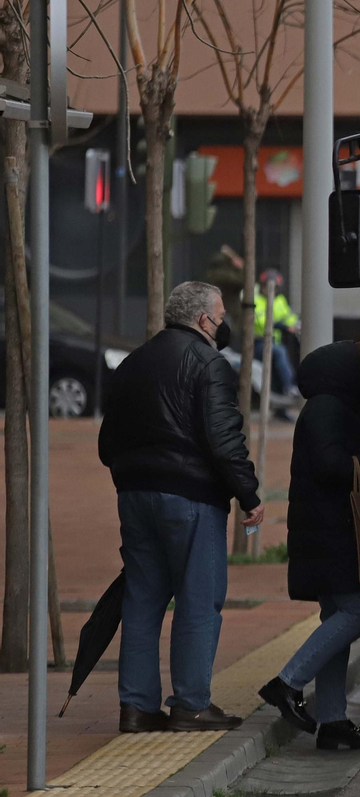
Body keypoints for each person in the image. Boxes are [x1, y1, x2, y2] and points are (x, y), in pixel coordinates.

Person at [99, 281, 263, 733]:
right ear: (203, 320)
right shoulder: (209, 363)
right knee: (198, 599)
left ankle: (136, 708)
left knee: (142, 599)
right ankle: (191, 705)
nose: (224, 324)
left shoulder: (132, 363)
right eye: (221, 316)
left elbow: (106, 443)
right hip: (192, 499)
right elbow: (224, 439)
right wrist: (248, 495)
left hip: (134, 497)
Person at [257, 341, 360, 750]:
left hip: (330, 529)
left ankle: (333, 721)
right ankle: (287, 683)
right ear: (357, 378)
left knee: (338, 618)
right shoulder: (327, 408)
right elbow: (331, 465)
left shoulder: (332, 406)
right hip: (334, 530)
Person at [254, 272, 300, 419]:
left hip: (275, 343)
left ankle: (282, 410)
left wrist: (295, 325)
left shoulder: (279, 300)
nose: (270, 290)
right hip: (258, 343)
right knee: (280, 352)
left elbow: (289, 317)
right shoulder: (255, 298)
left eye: (275, 288)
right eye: (267, 287)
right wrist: (284, 326)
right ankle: (290, 386)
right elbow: (261, 322)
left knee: (280, 364)